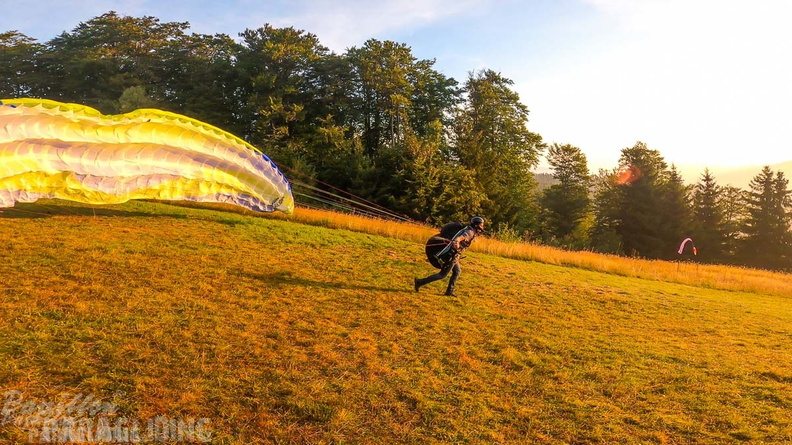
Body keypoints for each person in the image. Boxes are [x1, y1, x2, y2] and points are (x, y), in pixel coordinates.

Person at [414, 217, 485, 297]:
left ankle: (449, 292)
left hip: (455, 255)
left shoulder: (468, 229)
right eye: (481, 226)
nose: (481, 229)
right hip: (452, 256)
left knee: (457, 271)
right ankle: (420, 282)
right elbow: (461, 237)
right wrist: (457, 241)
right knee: (442, 275)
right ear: (476, 226)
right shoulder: (470, 232)